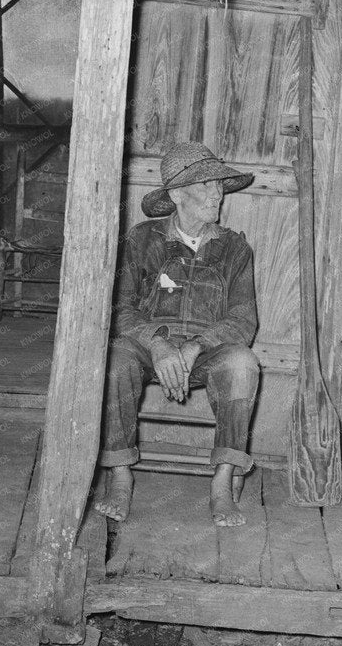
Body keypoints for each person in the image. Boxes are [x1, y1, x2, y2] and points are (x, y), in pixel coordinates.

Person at [95, 142, 261, 527]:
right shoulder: (142, 239)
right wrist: (157, 343)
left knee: (242, 363)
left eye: (219, 185)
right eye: (204, 185)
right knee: (115, 360)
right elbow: (119, 307)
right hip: (147, 347)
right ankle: (120, 474)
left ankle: (222, 481)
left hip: (206, 354)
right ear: (175, 195)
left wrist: (194, 348)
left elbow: (242, 319)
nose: (216, 193)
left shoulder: (234, 248)